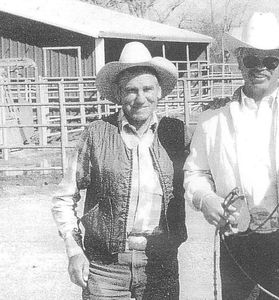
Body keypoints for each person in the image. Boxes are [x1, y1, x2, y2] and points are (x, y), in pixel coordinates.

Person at [184, 12, 279, 300]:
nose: (259, 68)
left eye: (269, 60)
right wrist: (205, 199)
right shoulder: (213, 119)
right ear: (239, 59)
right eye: (251, 59)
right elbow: (195, 173)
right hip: (238, 246)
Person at [51, 41, 188, 299]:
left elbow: (205, 173)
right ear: (118, 93)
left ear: (159, 91)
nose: (140, 98)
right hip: (106, 268)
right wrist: (74, 250)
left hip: (161, 263)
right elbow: (64, 197)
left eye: (147, 89)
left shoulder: (176, 134)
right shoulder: (96, 134)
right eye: (131, 90)